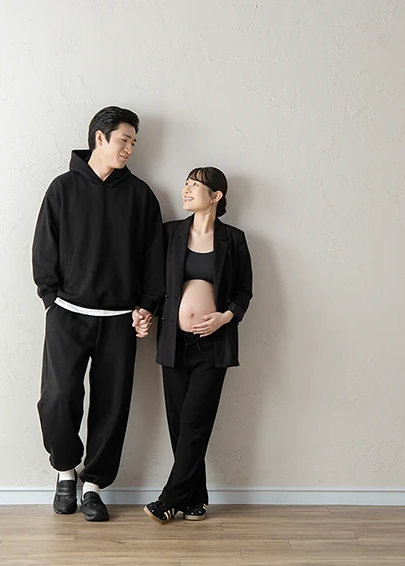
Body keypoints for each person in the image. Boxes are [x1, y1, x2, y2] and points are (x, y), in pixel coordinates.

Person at [32, 106, 164, 522]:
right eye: (124, 139)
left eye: (134, 142)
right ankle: (65, 471)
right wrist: (51, 301)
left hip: (119, 319)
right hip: (67, 314)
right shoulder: (62, 188)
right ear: (99, 138)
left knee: (112, 405)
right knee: (58, 399)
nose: (129, 149)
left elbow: (153, 257)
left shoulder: (141, 195)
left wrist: (147, 305)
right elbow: (44, 248)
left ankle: (93, 486)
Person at [139, 167, 253, 523]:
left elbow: (244, 291)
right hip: (173, 341)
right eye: (185, 184)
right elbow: (155, 284)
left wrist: (225, 317)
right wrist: (144, 312)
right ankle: (196, 497)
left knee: (195, 422)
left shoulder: (234, 239)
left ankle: (169, 499)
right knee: (180, 424)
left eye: (195, 185)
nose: (186, 190)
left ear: (216, 196)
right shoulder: (169, 233)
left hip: (214, 345)